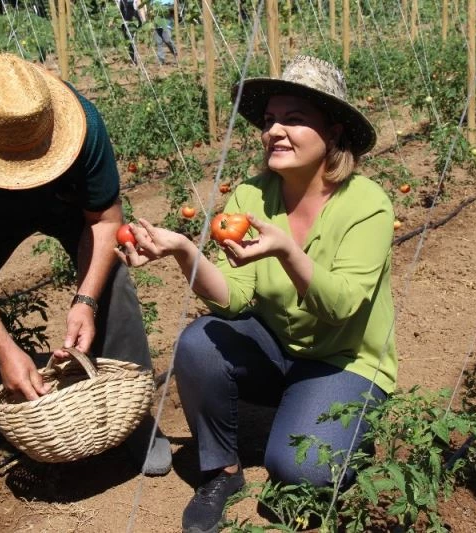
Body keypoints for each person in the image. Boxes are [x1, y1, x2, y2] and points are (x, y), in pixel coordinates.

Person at [116, 55, 397, 533]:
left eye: (294, 119)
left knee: (299, 473)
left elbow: (341, 306)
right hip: (277, 348)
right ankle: (221, 473)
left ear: (333, 133)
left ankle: (338, 423)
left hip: (344, 360)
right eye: (270, 120)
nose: (275, 131)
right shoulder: (250, 196)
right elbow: (234, 298)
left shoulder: (366, 203)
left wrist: (288, 250)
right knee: (201, 341)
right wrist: (186, 251)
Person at [0, 53, 172, 480]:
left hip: (62, 204)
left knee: (113, 278)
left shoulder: (83, 125)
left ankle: (134, 414)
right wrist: (6, 352)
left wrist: (85, 300)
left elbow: (105, 222)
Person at [150, 0, 177, 65]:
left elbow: (174, 9)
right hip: (157, 24)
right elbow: (151, 10)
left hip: (166, 24)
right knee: (159, 42)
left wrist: (165, 10)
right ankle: (161, 60)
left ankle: (175, 53)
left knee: (167, 40)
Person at [118, 0, 144, 65]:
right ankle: (133, 59)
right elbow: (119, 12)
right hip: (124, 23)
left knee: (132, 41)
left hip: (133, 23)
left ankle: (134, 60)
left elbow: (140, 8)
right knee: (128, 42)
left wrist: (143, 20)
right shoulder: (119, 1)